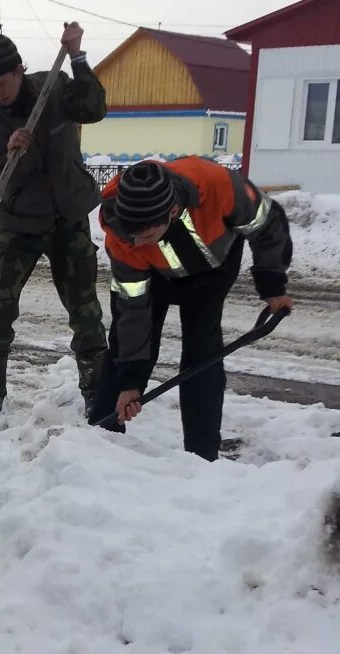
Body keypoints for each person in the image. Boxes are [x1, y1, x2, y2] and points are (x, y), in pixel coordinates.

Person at [87, 158, 294, 461]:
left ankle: (202, 456)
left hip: (211, 272)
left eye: (145, 235)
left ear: (171, 212)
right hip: (153, 279)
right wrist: (131, 381)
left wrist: (273, 286)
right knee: (122, 350)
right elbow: (132, 311)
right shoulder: (123, 235)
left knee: (203, 355)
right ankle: (97, 441)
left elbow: (268, 224)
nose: (136, 242)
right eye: (132, 235)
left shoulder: (218, 186)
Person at [0, 23, 109, 415]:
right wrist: (5, 157)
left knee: (86, 312)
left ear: (19, 70)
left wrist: (78, 57)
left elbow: (95, 108)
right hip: (20, 226)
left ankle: (98, 391)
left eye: (3, 82)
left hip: (69, 218)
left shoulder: (55, 87)